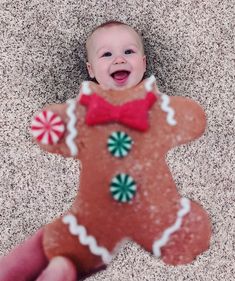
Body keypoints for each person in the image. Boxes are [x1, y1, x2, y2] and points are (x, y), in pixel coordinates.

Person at [0, 20, 147, 281]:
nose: (119, 60)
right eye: (107, 54)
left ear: (144, 63)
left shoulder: (154, 103)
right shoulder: (88, 104)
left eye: (129, 52)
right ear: (91, 70)